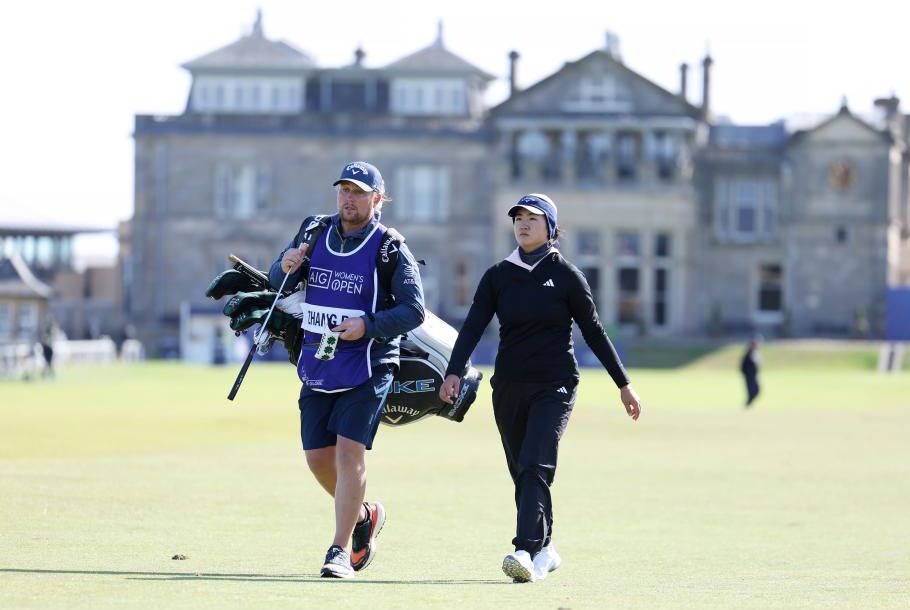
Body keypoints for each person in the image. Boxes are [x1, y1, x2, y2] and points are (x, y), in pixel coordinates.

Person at [438, 193, 641, 583]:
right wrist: (453, 371)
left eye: (533, 218)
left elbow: (594, 332)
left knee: (535, 463)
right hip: (509, 385)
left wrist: (623, 384)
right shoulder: (498, 275)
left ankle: (524, 551)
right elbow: (474, 326)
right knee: (524, 472)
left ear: (550, 226)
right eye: (518, 218)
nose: (523, 224)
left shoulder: (566, 276)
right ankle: (546, 548)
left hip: (555, 384)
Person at [268, 161, 425, 579]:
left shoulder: (390, 247)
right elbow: (276, 283)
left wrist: (367, 326)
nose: (348, 199)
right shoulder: (313, 232)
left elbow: (414, 310)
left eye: (358, 192)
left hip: (370, 363)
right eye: (344, 191)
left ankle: (338, 550)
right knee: (317, 459)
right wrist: (284, 266)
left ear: (377, 199)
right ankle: (363, 516)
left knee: (347, 453)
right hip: (319, 360)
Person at [740, 337, 761, 408]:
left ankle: (748, 403)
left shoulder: (755, 353)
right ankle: (748, 404)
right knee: (752, 390)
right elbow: (743, 365)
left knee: (757, 390)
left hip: (754, 375)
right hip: (749, 375)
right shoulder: (748, 354)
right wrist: (745, 373)